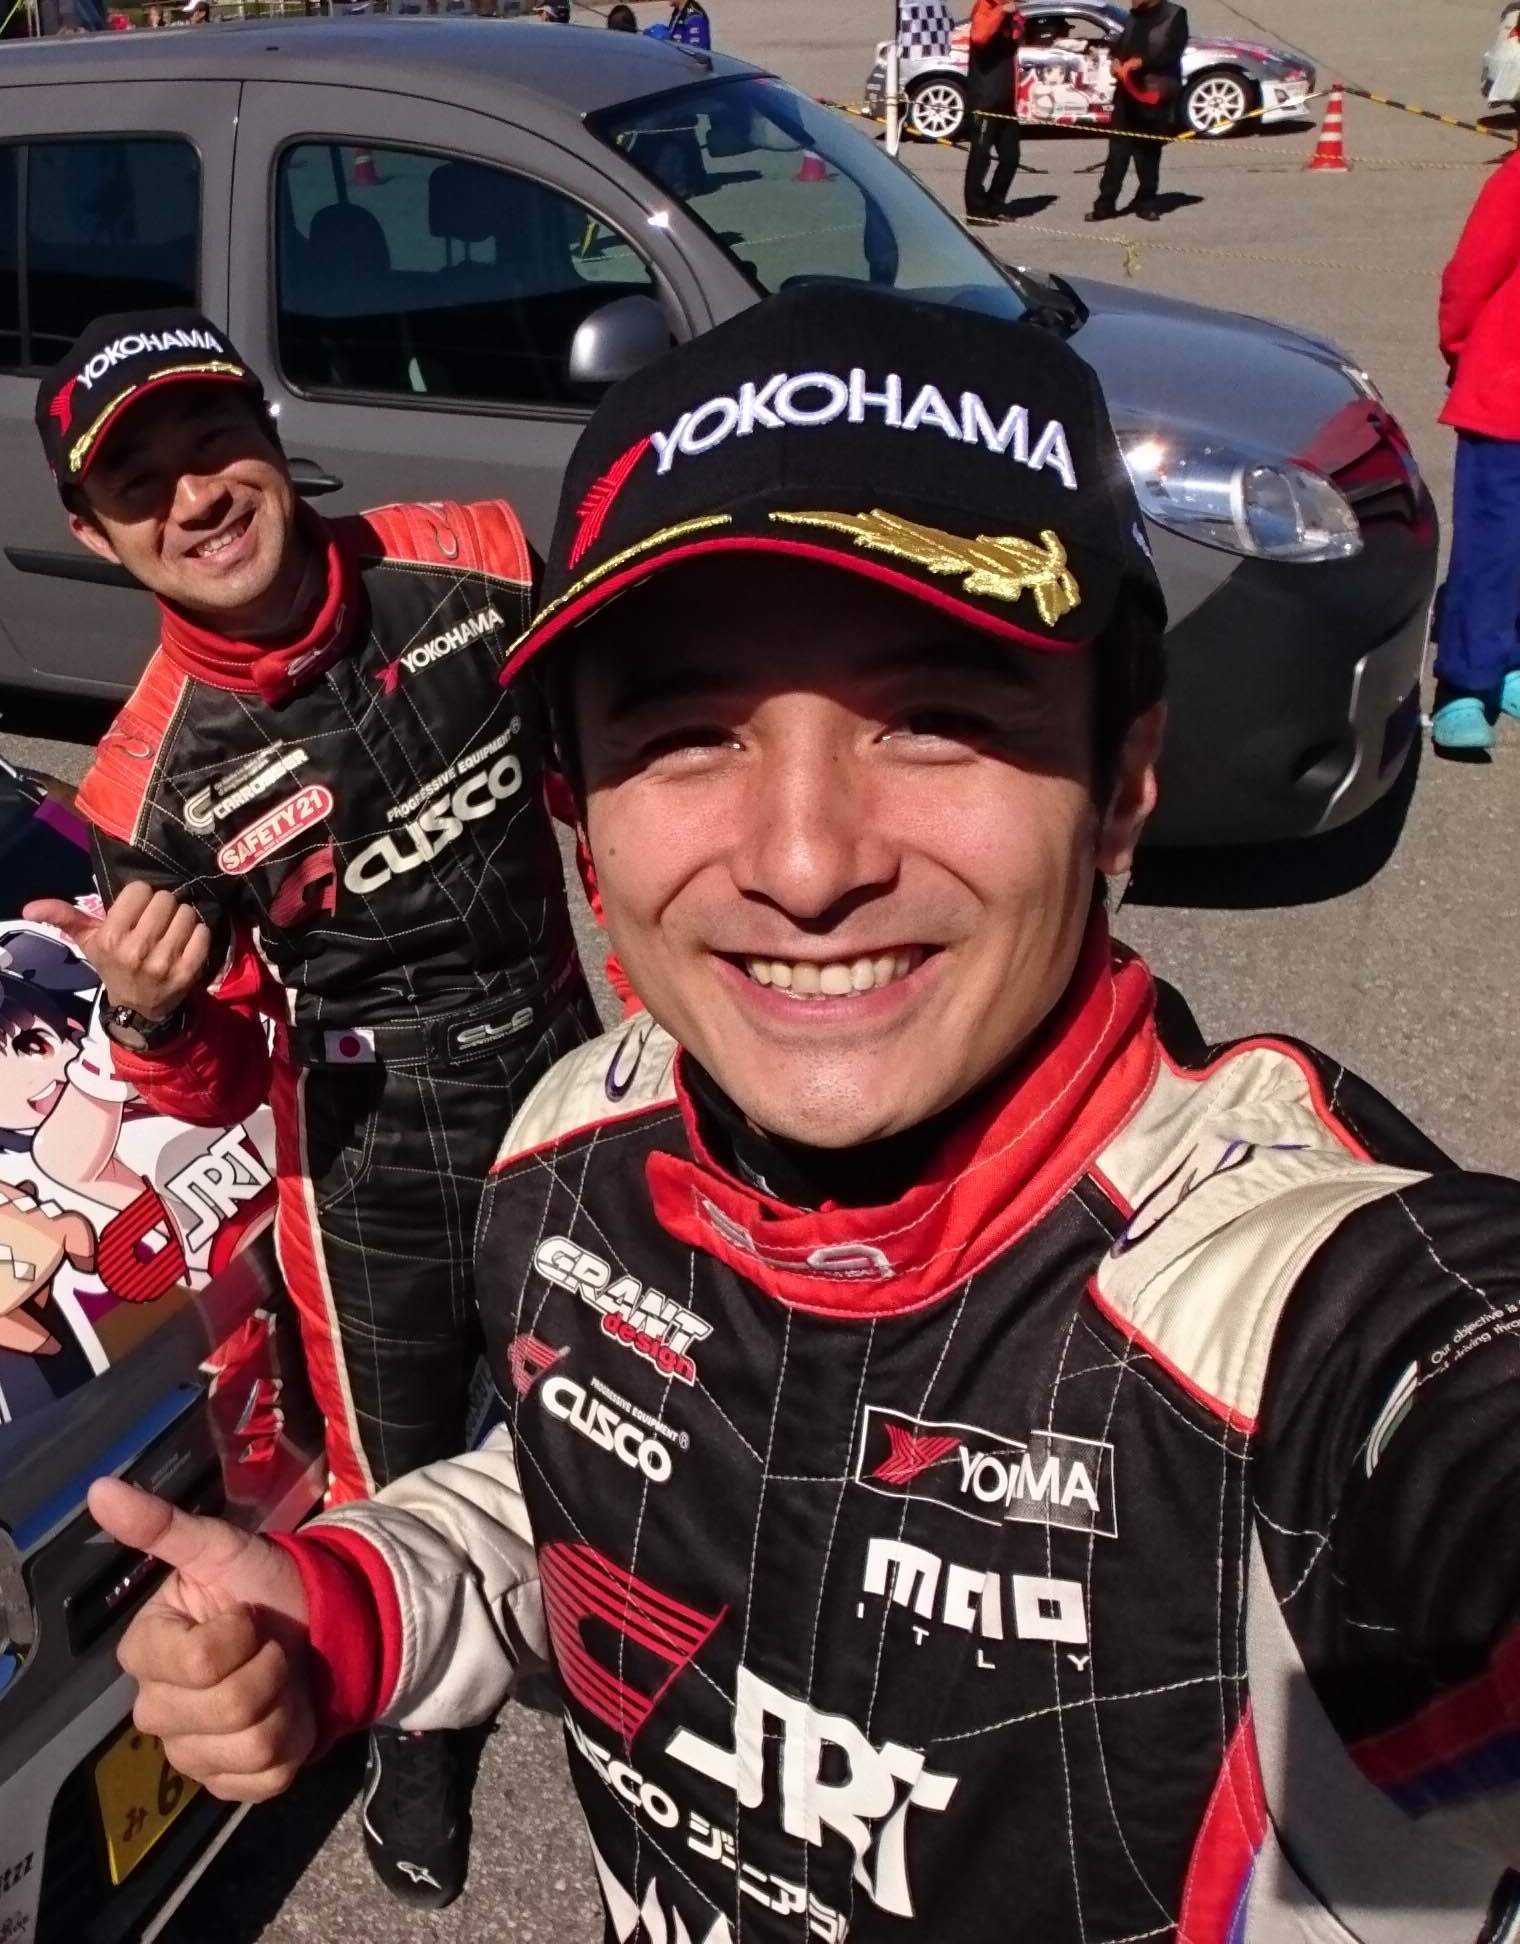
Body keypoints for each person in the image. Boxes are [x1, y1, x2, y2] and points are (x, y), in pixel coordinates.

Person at [90, 285, 1520, 1939]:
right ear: (579, 793)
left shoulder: (1302, 1316)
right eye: (688, 734)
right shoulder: (576, 1151)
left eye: (935, 719)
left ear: (1124, 777)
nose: (802, 860)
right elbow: (582, 1479)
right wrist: (359, 1599)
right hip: (386, 1149)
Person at [17, 308, 600, 1908]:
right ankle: (418, 1758)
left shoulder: (475, 562)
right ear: (97, 535)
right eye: (139, 484)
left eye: (211, 441)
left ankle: (633, 1692)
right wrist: (147, 1012)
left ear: (268, 433)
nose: (195, 496)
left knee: (622, 1418)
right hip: (367, 1166)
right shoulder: (144, 785)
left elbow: (607, 792)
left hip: (568, 1082)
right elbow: (202, 1082)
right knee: (394, 1493)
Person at [1433, 147, 1520, 753]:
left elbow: (1468, 280)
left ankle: (1503, 665)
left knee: (1506, 545)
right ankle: (1468, 683)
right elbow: (1472, 277)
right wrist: (1468, 352)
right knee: (1495, 542)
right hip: (1508, 395)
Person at [1089, 0, 1186, 221]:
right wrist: (1115, 60)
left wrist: (1141, 62)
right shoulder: (1135, 15)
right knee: (1117, 153)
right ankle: (1105, 204)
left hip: (1152, 94)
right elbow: (1122, 44)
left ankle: (1146, 202)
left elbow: (1171, 52)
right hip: (1126, 94)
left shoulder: (1174, 14)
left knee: (1148, 154)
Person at [963, 0, 1023, 219]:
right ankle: (976, 209)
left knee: (1011, 156)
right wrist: (1001, 11)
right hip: (984, 101)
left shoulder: (1011, 13)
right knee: (981, 156)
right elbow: (980, 37)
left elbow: (1018, 36)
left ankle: (996, 203)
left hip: (1006, 102)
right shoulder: (985, 7)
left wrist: (1014, 18)